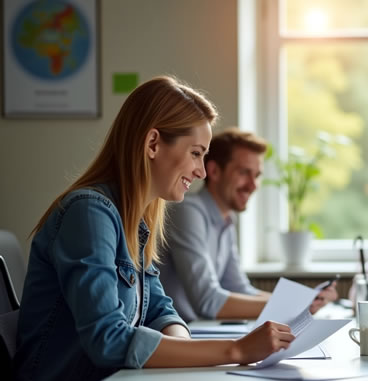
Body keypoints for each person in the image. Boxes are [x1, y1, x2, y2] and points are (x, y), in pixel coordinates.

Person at [13, 76, 294, 381]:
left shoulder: (135, 218)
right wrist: (236, 350)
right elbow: (107, 340)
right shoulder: (89, 214)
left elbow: (159, 309)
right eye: (196, 153)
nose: (201, 171)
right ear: (153, 144)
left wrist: (184, 350)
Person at [159, 128, 337, 322]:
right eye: (244, 172)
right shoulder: (187, 211)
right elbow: (207, 301)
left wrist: (305, 300)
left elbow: (238, 288)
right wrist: (296, 307)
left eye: (257, 175)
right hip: (175, 335)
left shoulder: (226, 220)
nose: (253, 185)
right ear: (214, 171)